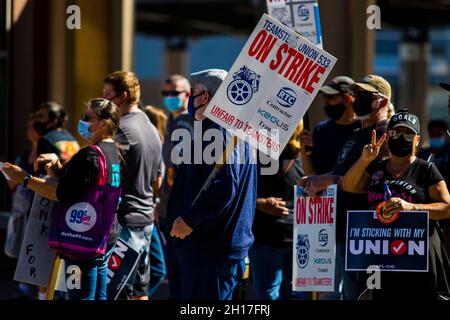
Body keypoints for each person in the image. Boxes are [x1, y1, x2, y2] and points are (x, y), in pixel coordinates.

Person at [2, 98, 122, 300]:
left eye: (87, 117)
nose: (81, 120)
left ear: (103, 123)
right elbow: (83, 185)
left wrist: (23, 178)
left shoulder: (90, 155)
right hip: (104, 235)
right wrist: (58, 167)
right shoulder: (113, 151)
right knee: (98, 296)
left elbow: (61, 192)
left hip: (81, 239)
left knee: (79, 296)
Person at [299, 75, 393, 300]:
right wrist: (316, 179)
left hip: (365, 232)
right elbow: (341, 172)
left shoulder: (384, 132)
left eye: (364, 95)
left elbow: (375, 182)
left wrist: (330, 180)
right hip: (343, 228)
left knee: (359, 294)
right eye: (357, 93)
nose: (357, 99)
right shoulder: (359, 133)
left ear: (381, 101)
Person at [167, 69, 257, 300]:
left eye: (193, 93)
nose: (189, 99)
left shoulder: (218, 130)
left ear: (205, 97)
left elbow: (225, 186)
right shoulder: (234, 130)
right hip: (213, 247)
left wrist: (189, 220)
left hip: (209, 249)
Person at [342, 110, 450, 299]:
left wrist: (411, 208)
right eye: (395, 133)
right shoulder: (376, 168)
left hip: (417, 260)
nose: (400, 138)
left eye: (407, 134)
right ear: (387, 136)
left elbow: (447, 208)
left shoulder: (427, 169)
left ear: (417, 140)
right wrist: (365, 160)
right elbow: (349, 185)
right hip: (378, 257)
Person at [103, 71, 162, 300]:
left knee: (117, 291)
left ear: (123, 96)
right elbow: (158, 181)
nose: (104, 102)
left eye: (108, 96)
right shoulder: (150, 126)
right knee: (139, 291)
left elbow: (104, 176)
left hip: (124, 222)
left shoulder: (120, 130)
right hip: (145, 219)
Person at [249, 122, 304, 300]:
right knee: (268, 294)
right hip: (265, 238)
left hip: (299, 240)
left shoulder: (305, 154)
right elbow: (239, 192)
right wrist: (261, 203)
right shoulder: (254, 152)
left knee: (295, 295)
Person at [157, 74, 193, 300]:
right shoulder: (172, 121)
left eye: (175, 93)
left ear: (187, 95)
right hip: (168, 208)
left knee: (181, 279)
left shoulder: (187, 122)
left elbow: (179, 170)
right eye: (166, 93)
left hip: (179, 210)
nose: (169, 97)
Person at [300, 76, 361, 175]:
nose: (326, 102)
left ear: (348, 99)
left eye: (330, 97)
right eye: (324, 96)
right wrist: (304, 152)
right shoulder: (321, 129)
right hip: (323, 190)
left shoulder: (363, 129)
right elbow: (311, 174)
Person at [143, 105, 168, 298]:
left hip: (148, 213)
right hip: (145, 213)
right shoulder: (155, 147)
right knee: (157, 268)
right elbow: (157, 184)